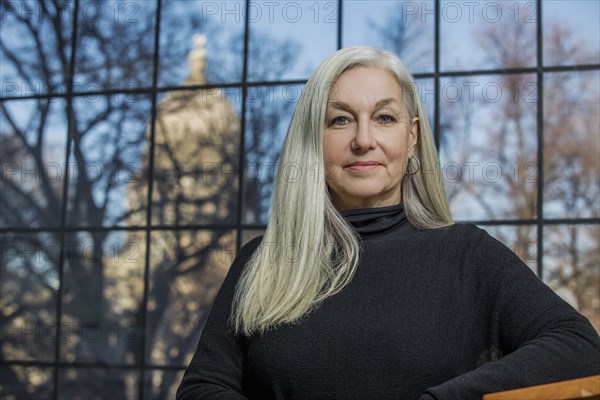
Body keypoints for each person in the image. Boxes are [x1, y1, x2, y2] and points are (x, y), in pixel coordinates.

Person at [177, 46, 600, 400]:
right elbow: (204, 388)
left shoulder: (466, 255)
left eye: (384, 118)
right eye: (340, 119)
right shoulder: (262, 261)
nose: (364, 139)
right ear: (313, 139)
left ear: (411, 137)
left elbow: (579, 347)